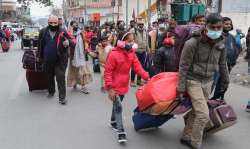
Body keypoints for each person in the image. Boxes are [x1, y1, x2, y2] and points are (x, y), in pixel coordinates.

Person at [177, 13, 229, 149]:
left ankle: (186, 135)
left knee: (196, 110)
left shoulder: (222, 42)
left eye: (219, 27)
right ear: (206, 26)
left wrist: (225, 81)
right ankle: (195, 143)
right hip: (193, 80)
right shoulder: (192, 42)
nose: (216, 31)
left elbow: (223, 63)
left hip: (208, 80)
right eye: (213, 27)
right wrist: (181, 88)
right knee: (203, 114)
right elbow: (183, 66)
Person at [104, 32, 149, 143]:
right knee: (118, 107)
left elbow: (138, 67)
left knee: (117, 105)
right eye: (129, 41)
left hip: (124, 85)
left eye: (133, 41)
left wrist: (147, 76)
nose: (132, 43)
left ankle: (113, 122)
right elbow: (107, 72)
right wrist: (109, 88)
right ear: (122, 41)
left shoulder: (131, 53)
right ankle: (121, 132)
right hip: (113, 86)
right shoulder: (113, 54)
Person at [38, 15, 76, 105]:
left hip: (60, 60)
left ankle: (62, 98)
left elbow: (74, 41)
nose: (53, 25)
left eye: (55, 23)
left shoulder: (63, 31)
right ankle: (51, 91)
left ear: (58, 23)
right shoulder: (43, 31)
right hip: (47, 60)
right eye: (51, 23)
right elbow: (40, 45)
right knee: (49, 77)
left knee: (60, 77)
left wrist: (68, 42)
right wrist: (39, 57)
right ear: (48, 23)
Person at [211, 17, 240, 100]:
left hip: (228, 65)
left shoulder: (232, 37)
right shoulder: (217, 35)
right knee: (213, 83)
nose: (228, 25)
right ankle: (205, 99)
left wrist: (233, 62)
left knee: (223, 83)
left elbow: (236, 50)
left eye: (230, 24)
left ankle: (217, 99)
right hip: (217, 65)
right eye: (226, 24)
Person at [67, 20, 93, 94]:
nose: (75, 26)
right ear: (71, 26)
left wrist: (86, 49)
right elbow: (68, 44)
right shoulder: (69, 34)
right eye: (73, 25)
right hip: (72, 55)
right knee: (73, 70)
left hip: (80, 54)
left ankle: (83, 86)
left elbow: (85, 42)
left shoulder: (81, 33)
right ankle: (74, 83)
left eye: (76, 24)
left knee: (82, 70)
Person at [130, 19, 147, 87]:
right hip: (136, 51)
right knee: (134, 67)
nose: (141, 25)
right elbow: (130, 40)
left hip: (143, 51)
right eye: (140, 24)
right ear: (137, 24)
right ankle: (132, 81)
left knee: (141, 67)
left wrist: (147, 49)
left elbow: (147, 41)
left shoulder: (145, 30)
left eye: (142, 24)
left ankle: (139, 80)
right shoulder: (133, 31)